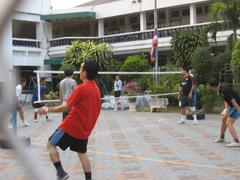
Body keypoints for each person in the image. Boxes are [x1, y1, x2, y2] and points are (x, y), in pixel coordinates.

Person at [38, 61, 101, 180]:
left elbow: (65, 107)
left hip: (70, 127)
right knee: (82, 153)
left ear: (84, 73)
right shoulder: (96, 89)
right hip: (84, 129)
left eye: (81, 68)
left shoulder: (81, 88)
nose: (79, 70)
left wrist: (47, 109)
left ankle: (61, 173)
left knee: (50, 145)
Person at [209, 77, 240, 147]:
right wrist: (227, 108)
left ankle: (236, 141)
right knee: (224, 119)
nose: (211, 89)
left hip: (237, 106)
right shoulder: (219, 90)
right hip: (232, 107)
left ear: (213, 86)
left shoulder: (224, 90)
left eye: (211, 87)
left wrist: (238, 110)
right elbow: (225, 99)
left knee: (229, 122)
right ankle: (221, 138)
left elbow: (233, 101)